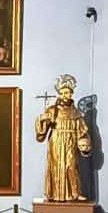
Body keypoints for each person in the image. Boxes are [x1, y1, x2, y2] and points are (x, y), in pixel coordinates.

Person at [35, 73, 92, 201]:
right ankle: (54, 193)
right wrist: (42, 120)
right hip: (56, 141)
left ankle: (74, 193)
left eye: (68, 93)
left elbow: (82, 131)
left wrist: (85, 143)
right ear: (59, 94)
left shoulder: (76, 112)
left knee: (71, 166)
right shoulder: (52, 110)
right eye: (63, 93)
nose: (65, 96)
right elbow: (41, 134)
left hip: (71, 142)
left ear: (71, 93)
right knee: (56, 166)